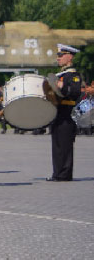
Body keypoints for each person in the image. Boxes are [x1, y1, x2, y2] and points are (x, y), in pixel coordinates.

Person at [48, 44, 83, 181]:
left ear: (70, 57)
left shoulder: (73, 75)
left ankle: (65, 174)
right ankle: (57, 173)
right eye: (58, 55)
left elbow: (75, 92)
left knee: (65, 145)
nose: (58, 58)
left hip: (67, 113)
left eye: (61, 55)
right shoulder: (60, 74)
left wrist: (62, 87)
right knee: (56, 145)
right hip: (57, 112)